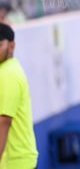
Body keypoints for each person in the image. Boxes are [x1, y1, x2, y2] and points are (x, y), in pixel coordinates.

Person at [0, 23, 38, 168]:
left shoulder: (8, 74)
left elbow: (4, 122)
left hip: (14, 162)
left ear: (12, 46)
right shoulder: (8, 69)